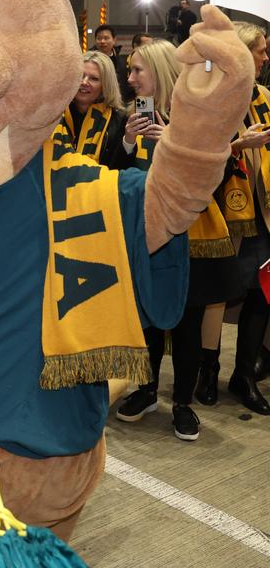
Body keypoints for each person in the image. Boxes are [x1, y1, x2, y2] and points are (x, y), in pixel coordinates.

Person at [114, 39, 210, 438]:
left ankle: (184, 403)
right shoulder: (128, 118)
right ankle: (148, 388)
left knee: (186, 323)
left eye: (138, 70)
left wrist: (170, 141)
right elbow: (109, 175)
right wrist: (128, 143)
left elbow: (203, 181)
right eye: (130, 70)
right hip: (141, 235)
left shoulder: (192, 119)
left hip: (189, 239)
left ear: (160, 70)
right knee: (148, 316)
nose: (131, 78)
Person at [195, 21, 270, 414]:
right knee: (218, 296)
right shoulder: (213, 97)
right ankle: (208, 371)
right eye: (260, 49)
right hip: (221, 213)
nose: (265, 56)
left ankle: (244, 375)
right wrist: (241, 144)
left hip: (264, 213)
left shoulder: (266, 97)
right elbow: (200, 155)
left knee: (261, 293)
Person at [53, 51, 131, 169]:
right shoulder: (54, 114)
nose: (84, 82)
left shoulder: (119, 119)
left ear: (106, 85)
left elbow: (120, 167)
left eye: (94, 79)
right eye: (80, 75)